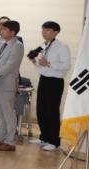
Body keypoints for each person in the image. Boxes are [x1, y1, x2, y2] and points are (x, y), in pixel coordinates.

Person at [29, 21, 70, 152]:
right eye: (43, 30)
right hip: (44, 79)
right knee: (41, 109)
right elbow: (41, 66)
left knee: (52, 111)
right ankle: (44, 137)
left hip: (55, 82)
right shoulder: (43, 45)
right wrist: (35, 62)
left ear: (56, 32)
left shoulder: (62, 47)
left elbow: (65, 65)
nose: (44, 32)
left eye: (47, 30)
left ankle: (54, 141)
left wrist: (49, 63)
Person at [0, 20, 24, 151]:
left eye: (4, 29)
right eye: (1, 29)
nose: (1, 31)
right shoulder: (3, 44)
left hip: (7, 83)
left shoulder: (17, 45)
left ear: (13, 32)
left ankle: (10, 141)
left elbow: (10, 64)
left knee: (8, 113)